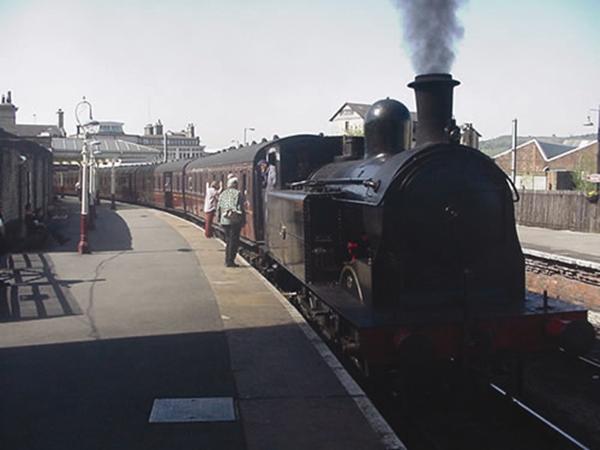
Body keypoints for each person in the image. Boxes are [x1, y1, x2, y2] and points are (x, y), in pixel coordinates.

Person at [217, 177, 244, 267]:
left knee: (228, 241)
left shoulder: (223, 193)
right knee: (234, 241)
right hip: (234, 221)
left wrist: (218, 219)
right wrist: (242, 219)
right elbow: (240, 208)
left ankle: (227, 260)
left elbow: (219, 207)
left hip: (224, 220)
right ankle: (230, 261)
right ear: (235, 185)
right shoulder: (237, 193)